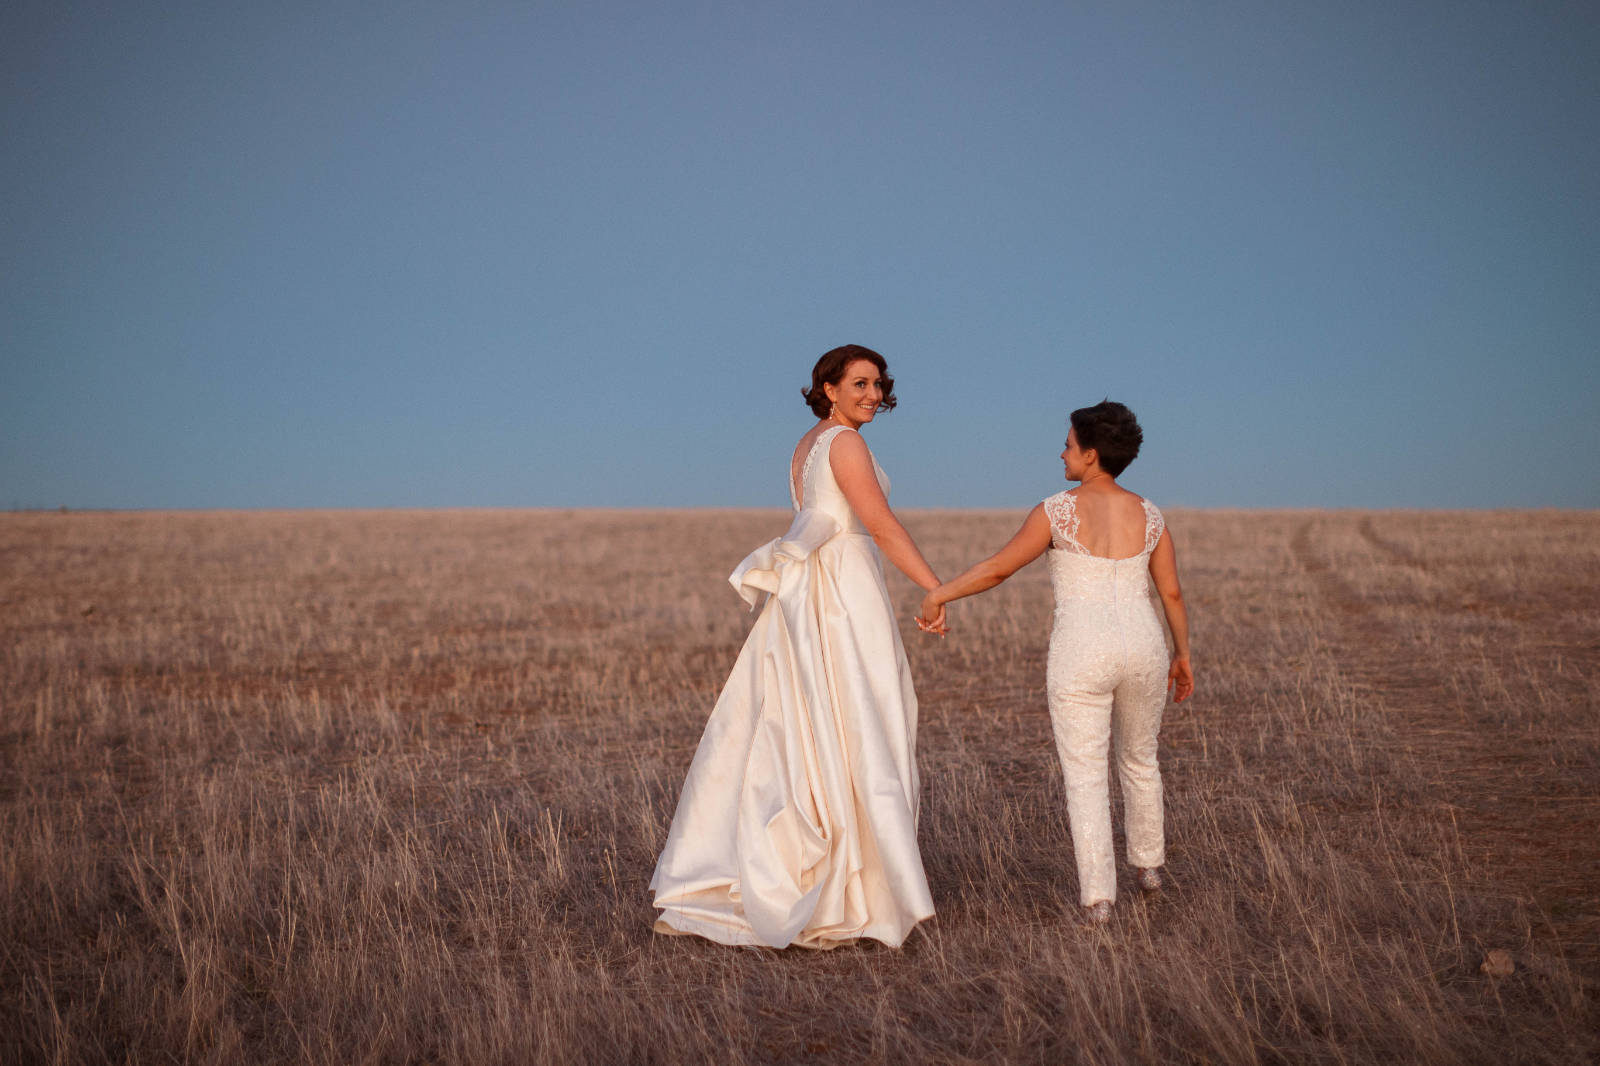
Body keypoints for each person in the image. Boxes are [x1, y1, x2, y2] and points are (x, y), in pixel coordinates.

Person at [650, 345, 942, 948]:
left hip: (812, 591)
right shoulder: (845, 444)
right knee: (862, 720)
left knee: (813, 724)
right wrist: (936, 587)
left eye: (878, 383)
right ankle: (852, 890)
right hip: (843, 592)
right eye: (858, 383)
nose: (872, 393)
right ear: (828, 388)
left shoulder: (805, 445)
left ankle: (828, 875)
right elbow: (880, 523)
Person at [917, 400, 1193, 925]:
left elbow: (999, 568)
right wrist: (1182, 654)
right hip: (1144, 645)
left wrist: (940, 595)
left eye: (1068, 445)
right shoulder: (1151, 514)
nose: (1061, 453)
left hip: (1081, 650)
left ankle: (1099, 899)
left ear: (1090, 455)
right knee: (1140, 758)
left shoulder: (1056, 511)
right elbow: (1172, 593)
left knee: (1085, 773)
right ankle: (1150, 867)